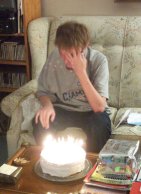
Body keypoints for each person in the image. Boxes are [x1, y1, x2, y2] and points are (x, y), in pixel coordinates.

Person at [33, 21, 111, 152]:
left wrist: (81, 72)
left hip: (90, 112)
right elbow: (42, 91)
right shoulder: (54, 57)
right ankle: (53, 165)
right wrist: (47, 105)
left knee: (100, 126)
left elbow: (99, 107)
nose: (67, 60)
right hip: (63, 109)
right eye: (64, 54)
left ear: (85, 47)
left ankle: (91, 168)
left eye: (73, 54)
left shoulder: (99, 60)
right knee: (40, 122)